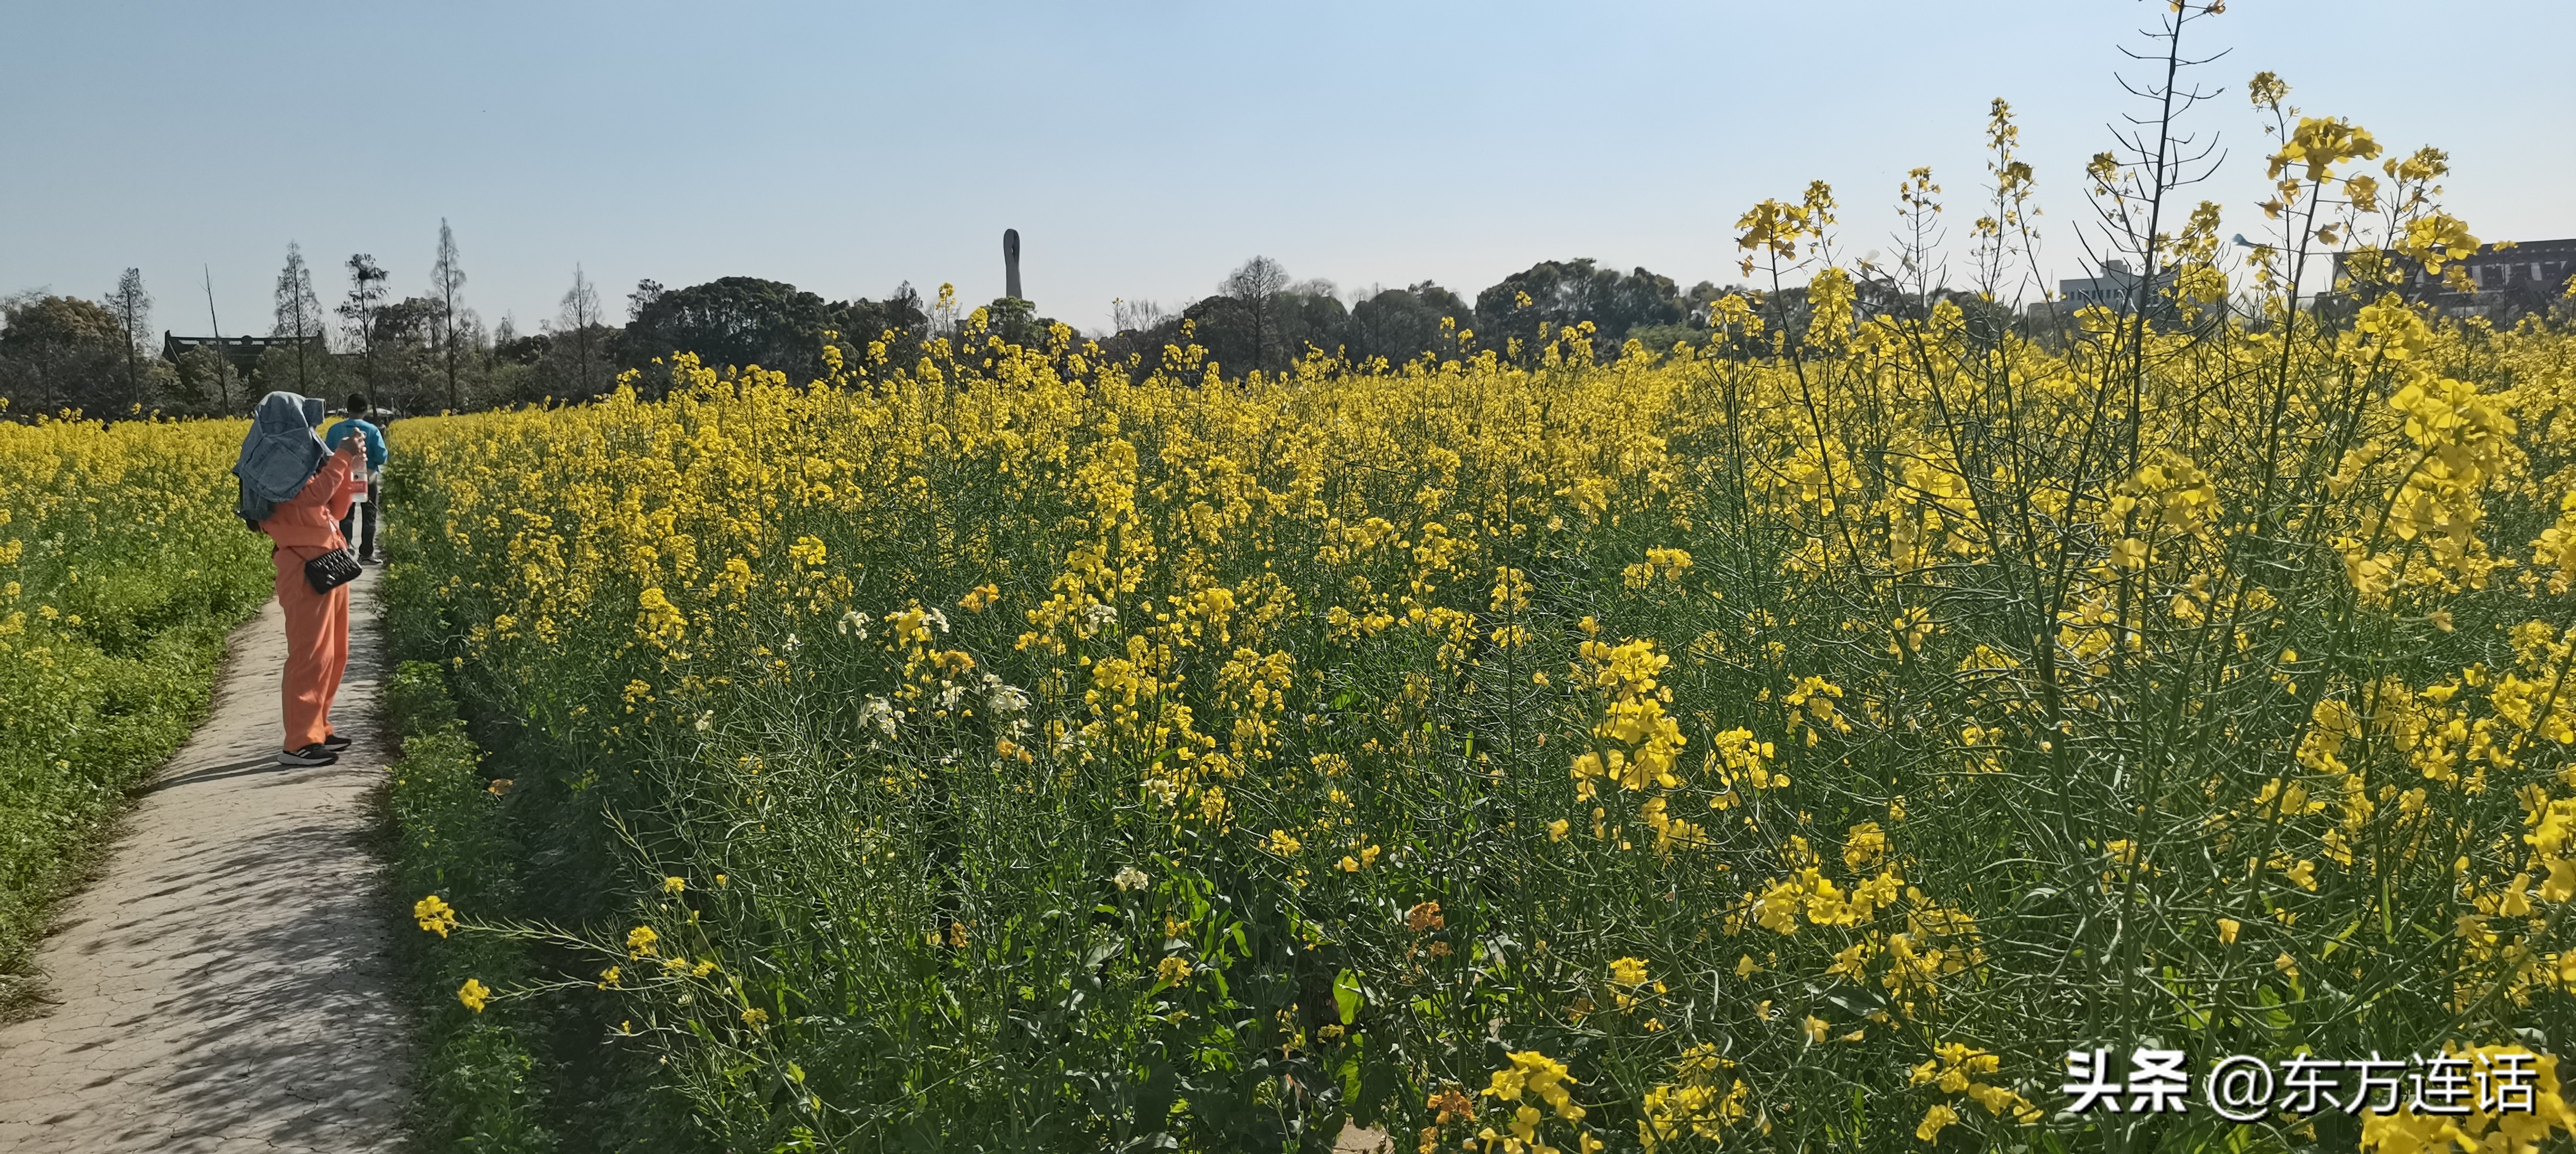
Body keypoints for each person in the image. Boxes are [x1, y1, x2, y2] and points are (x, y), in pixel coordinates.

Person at [234, 392, 367, 767]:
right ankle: (298, 743)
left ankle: (319, 727)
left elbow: (336, 510)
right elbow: (310, 500)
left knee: (333, 653)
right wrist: (341, 457)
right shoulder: (270, 464)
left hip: (330, 561)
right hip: (302, 567)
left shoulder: (303, 460)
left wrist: (356, 468)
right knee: (308, 655)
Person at [324, 394, 387, 564]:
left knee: (345, 514)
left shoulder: (334, 430)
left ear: (347, 409)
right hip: (368, 477)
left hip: (343, 477)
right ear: (366, 410)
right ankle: (366, 554)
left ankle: (346, 549)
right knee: (370, 515)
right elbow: (382, 456)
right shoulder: (373, 430)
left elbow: (327, 454)